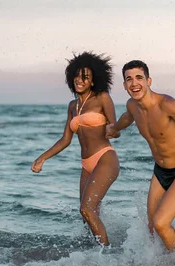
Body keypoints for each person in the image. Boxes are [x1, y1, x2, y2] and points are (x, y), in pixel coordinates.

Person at [106, 60, 175, 251]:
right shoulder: (133, 105)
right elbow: (127, 117)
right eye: (129, 79)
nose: (134, 83)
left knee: (161, 223)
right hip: (160, 172)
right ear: (125, 86)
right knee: (152, 227)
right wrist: (114, 128)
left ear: (149, 80)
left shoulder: (166, 104)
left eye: (139, 78)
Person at [31, 52, 119, 246]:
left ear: (93, 81)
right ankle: (95, 254)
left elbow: (115, 126)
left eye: (85, 77)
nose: (80, 80)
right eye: (77, 76)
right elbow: (65, 139)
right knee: (87, 215)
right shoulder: (72, 106)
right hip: (86, 164)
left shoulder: (102, 98)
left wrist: (113, 130)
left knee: (86, 209)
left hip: (105, 158)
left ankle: (109, 258)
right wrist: (42, 158)